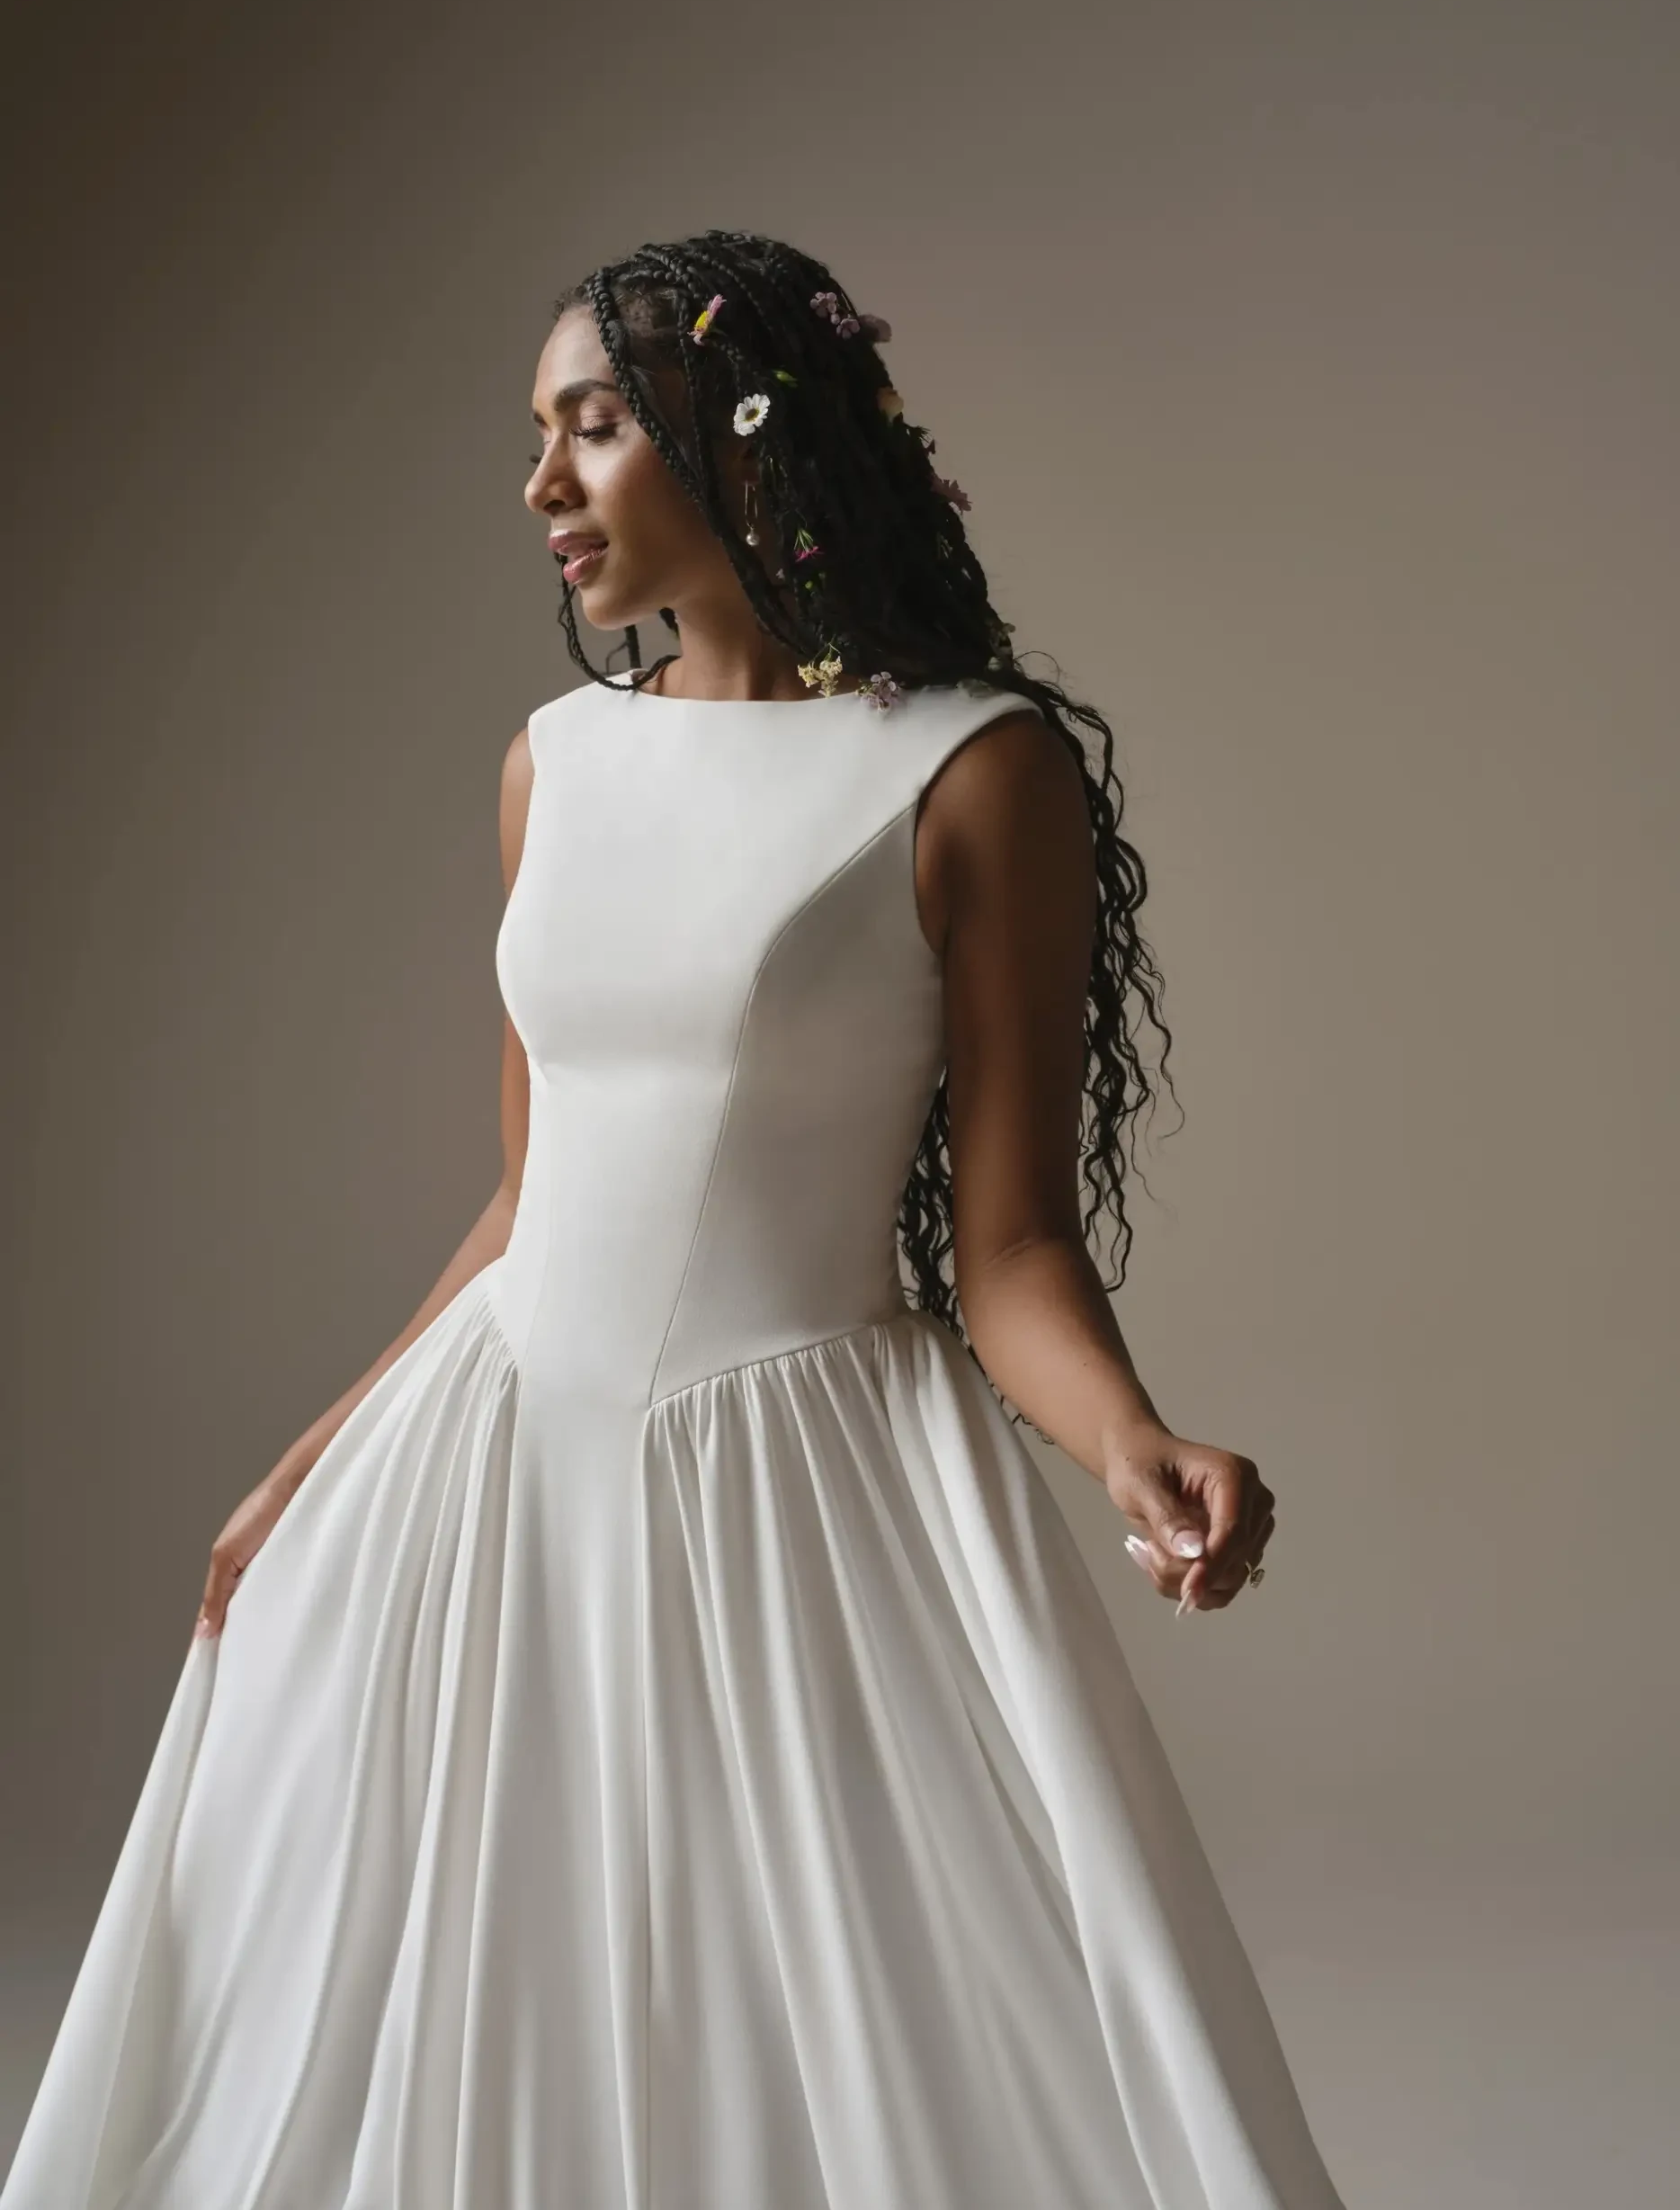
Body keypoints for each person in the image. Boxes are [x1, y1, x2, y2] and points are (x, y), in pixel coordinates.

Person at [2, 229, 1347, 2207]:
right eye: (538, 433)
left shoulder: (971, 776)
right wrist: (317, 1454)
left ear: (746, 434)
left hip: (785, 1491)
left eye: (594, 425)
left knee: (812, 2026)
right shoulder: (551, 766)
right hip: (490, 1470)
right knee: (416, 1999)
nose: (540, 482)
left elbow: (1009, 1252)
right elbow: (531, 1194)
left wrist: (1136, 1442)